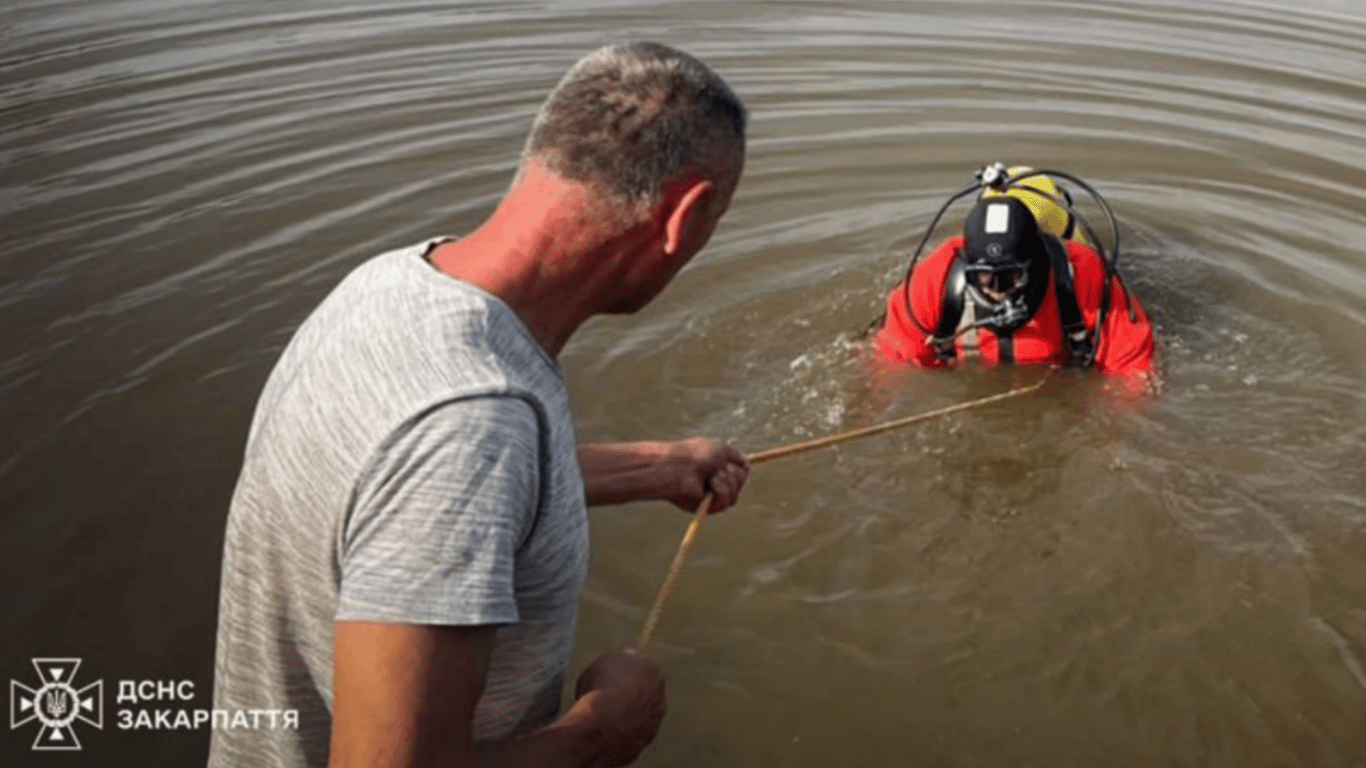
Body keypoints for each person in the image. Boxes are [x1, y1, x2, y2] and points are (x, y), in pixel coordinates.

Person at [209, 42, 751, 768]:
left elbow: (402, 499)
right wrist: (602, 732)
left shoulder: (393, 284)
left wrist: (657, 467)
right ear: (685, 216)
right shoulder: (472, 425)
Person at [874, 164, 1156, 379]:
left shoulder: (1083, 273)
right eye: (982, 276)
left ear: (1036, 262)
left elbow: (1134, 368)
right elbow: (893, 363)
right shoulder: (935, 278)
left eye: (1012, 275)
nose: (996, 289)